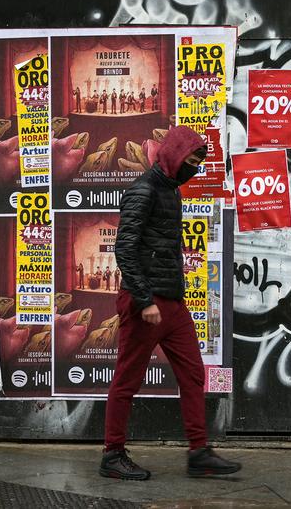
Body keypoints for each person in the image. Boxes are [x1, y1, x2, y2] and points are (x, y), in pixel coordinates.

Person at [101, 125, 239, 480]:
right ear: (174, 154)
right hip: (144, 304)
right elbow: (125, 249)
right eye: (190, 160)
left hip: (172, 305)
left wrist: (166, 299)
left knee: (193, 374)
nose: (193, 167)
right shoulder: (143, 191)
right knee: (127, 380)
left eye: (197, 161)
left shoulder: (171, 191)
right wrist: (145, 300)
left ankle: (199, 452)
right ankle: (112, 455)